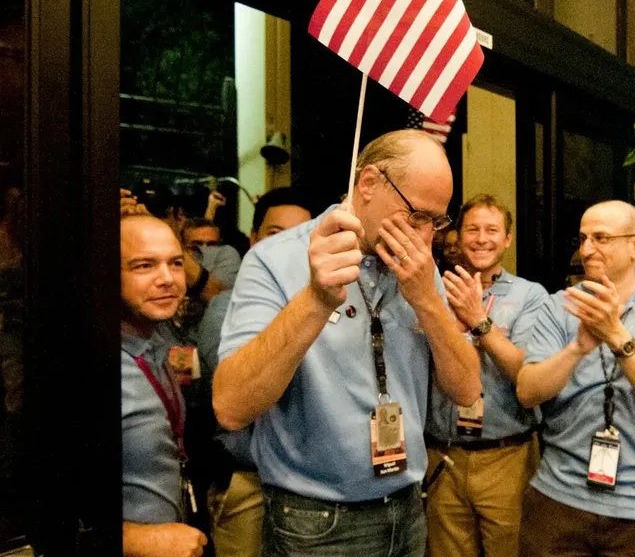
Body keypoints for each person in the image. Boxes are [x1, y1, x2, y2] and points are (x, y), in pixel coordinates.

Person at [213, 130, 481, 557]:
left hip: (408, 507)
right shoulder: (275, 259)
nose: (426, 236)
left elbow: (467, 390)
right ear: (369, 184)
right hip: (314, 520)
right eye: (415, 216)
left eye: (436, 221)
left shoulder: (421, 268)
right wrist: (316, 300)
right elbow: (230, 406)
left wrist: (429, 301)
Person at [516, 200, 635, 557]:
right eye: (583, 238)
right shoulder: (560, 306)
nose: (586, 249)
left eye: (601, 238)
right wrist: (577, 349)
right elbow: (527, 391)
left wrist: (616, 335)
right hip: (559, 498)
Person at [424, 195, 548, 557]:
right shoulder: (433, 292)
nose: (481, 239)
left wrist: (479, 321)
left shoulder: (530, 297)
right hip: (441, 455)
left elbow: (527, 374)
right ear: (458, 237)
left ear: (507, 239)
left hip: (505, 455)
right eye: (473, 229)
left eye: (492, 230)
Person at [196, 187, 313, 557]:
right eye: (277, 234)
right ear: (254, 238)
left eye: (303, 235)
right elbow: (236, 392)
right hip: (250, 482)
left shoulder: (328, 304)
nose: (290, 245)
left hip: (310, 486)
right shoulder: (227, 305)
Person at [120, 213, 208, 557]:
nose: (168, 279)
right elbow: (42, 496)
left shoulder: (155, 346)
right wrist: (138, 541)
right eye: (144, 266)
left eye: (175, 263)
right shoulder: (92, 366)